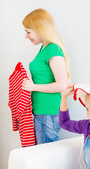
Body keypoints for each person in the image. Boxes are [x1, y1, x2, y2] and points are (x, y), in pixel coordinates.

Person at [21, 8, 69, 144]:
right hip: (42, 112)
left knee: (44, 157)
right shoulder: (44, 48)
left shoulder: (53, 49)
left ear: (40, 29)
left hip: (47, 113)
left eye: (28, 32)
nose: (26, 36)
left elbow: (62, 85)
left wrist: (34, 87)